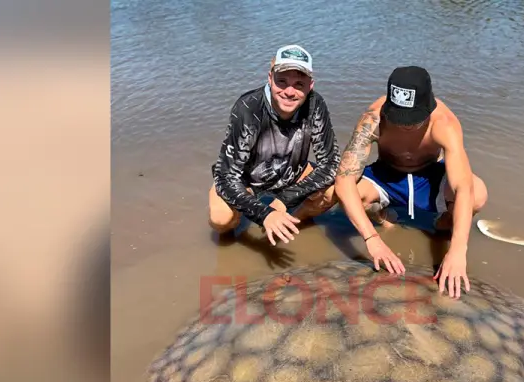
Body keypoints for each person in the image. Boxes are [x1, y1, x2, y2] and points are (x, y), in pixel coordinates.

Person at [333, 66, 489, 298]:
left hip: (429, 177)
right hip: (387, 175)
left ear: (429, 106)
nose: (405, 125)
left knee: (478, 193)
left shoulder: (444, 124)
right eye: (399, 117)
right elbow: (343, 181)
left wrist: (458, 250)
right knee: (340, 195)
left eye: (412, 119)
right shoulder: (374, 119)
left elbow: (462, 187)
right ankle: (385, 219)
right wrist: (371, 239)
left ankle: (441, 226)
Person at [209, 44, 341, 246]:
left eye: (299, 84)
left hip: (292, 174)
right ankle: (235, 239)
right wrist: (264, 214)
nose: (290, 91)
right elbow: (227, 176)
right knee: (222, 221)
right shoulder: (248, 107)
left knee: (335, 190)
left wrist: (283, 201)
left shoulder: (315, 104)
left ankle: (293, 222)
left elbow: (330, 164)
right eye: (282, 81)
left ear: (310, 85)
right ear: (270, 78)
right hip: (247, 180)